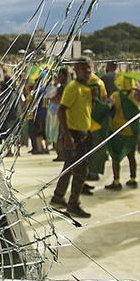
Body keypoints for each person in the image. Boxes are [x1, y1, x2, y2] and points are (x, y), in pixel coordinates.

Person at [50, 59, 96, 219]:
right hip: (73, 134)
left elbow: (86, 112)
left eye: (89, 69)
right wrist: (68, 135)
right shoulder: (72, 88)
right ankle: (73, 204)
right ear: (76, 70)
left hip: (84, 133)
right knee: (81, 171)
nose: (87, 72)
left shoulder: (87, 89)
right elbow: (62, 111)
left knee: (70, 166)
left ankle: (58, 196)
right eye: (84, 69)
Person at [104, 74, 140, 190]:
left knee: (115, 156)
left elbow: (109, 108)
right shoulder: (135, 96)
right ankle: (133, 179)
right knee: (131, 156)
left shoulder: (116, 95)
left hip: (118, 129)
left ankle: (116, 181)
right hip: (132, 129)